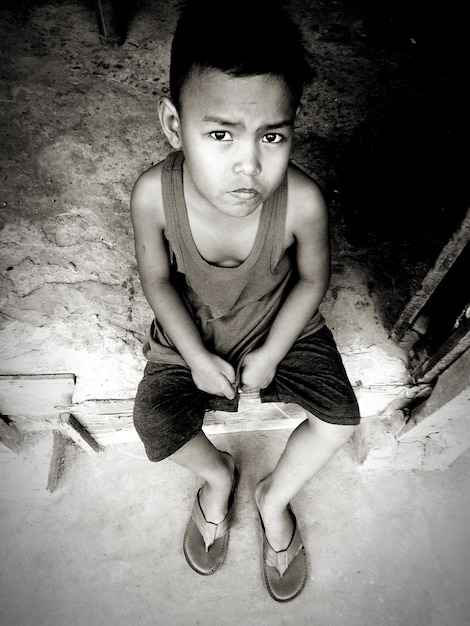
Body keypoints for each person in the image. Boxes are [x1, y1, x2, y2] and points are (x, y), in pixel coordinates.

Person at [131, 0, 360, 603]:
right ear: (174, 125)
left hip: (284, 329)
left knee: (339, 420)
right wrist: (197, 359)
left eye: (273, 135)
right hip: (194, 334)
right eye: (220, 134)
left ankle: (274, 498)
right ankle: (216, 478)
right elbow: (157, 282)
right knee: (152, 421)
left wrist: (270, 356)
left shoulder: (303, 200)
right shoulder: (155, 195)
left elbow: (311, 280)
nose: (250, 164)